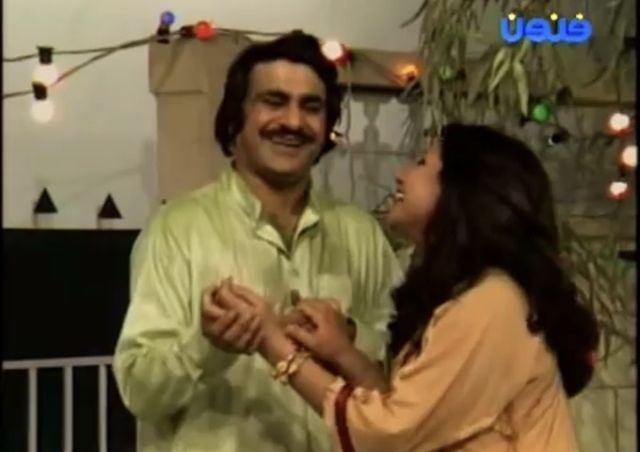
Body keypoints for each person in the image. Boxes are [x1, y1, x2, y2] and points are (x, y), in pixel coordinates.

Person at [215, 123, 600, 451]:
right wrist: (343, 353)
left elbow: (391, 433)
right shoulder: (471, 293)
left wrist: (272, 342)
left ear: (461, 191)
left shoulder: (493, 301)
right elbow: (414, 410)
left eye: (421, 163)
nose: (401, 174)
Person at [113, 31, 402, 452]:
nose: (293, 122)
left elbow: (407, 371)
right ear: (237, 117)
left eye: (311, 107)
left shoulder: (360, 233)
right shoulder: (177, 229)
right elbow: (139, 391)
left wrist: (351, 337)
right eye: (274, 101)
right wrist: (207, 347)